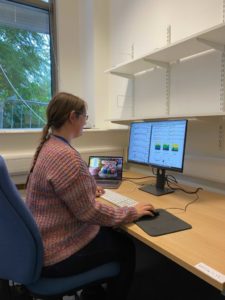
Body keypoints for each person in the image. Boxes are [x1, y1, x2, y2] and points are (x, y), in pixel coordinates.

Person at [25, 92, 156, 300]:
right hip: (57, 254)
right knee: (127, 248)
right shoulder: (66, 156)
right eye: (85, 117)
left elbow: (63, 191)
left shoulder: (50, 147)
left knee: (111, 235)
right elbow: (90, 212)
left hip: (43, 245)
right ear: (72, 117)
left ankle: (92, 293)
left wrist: (84, 190)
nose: (86, 122)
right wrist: (132, 211)